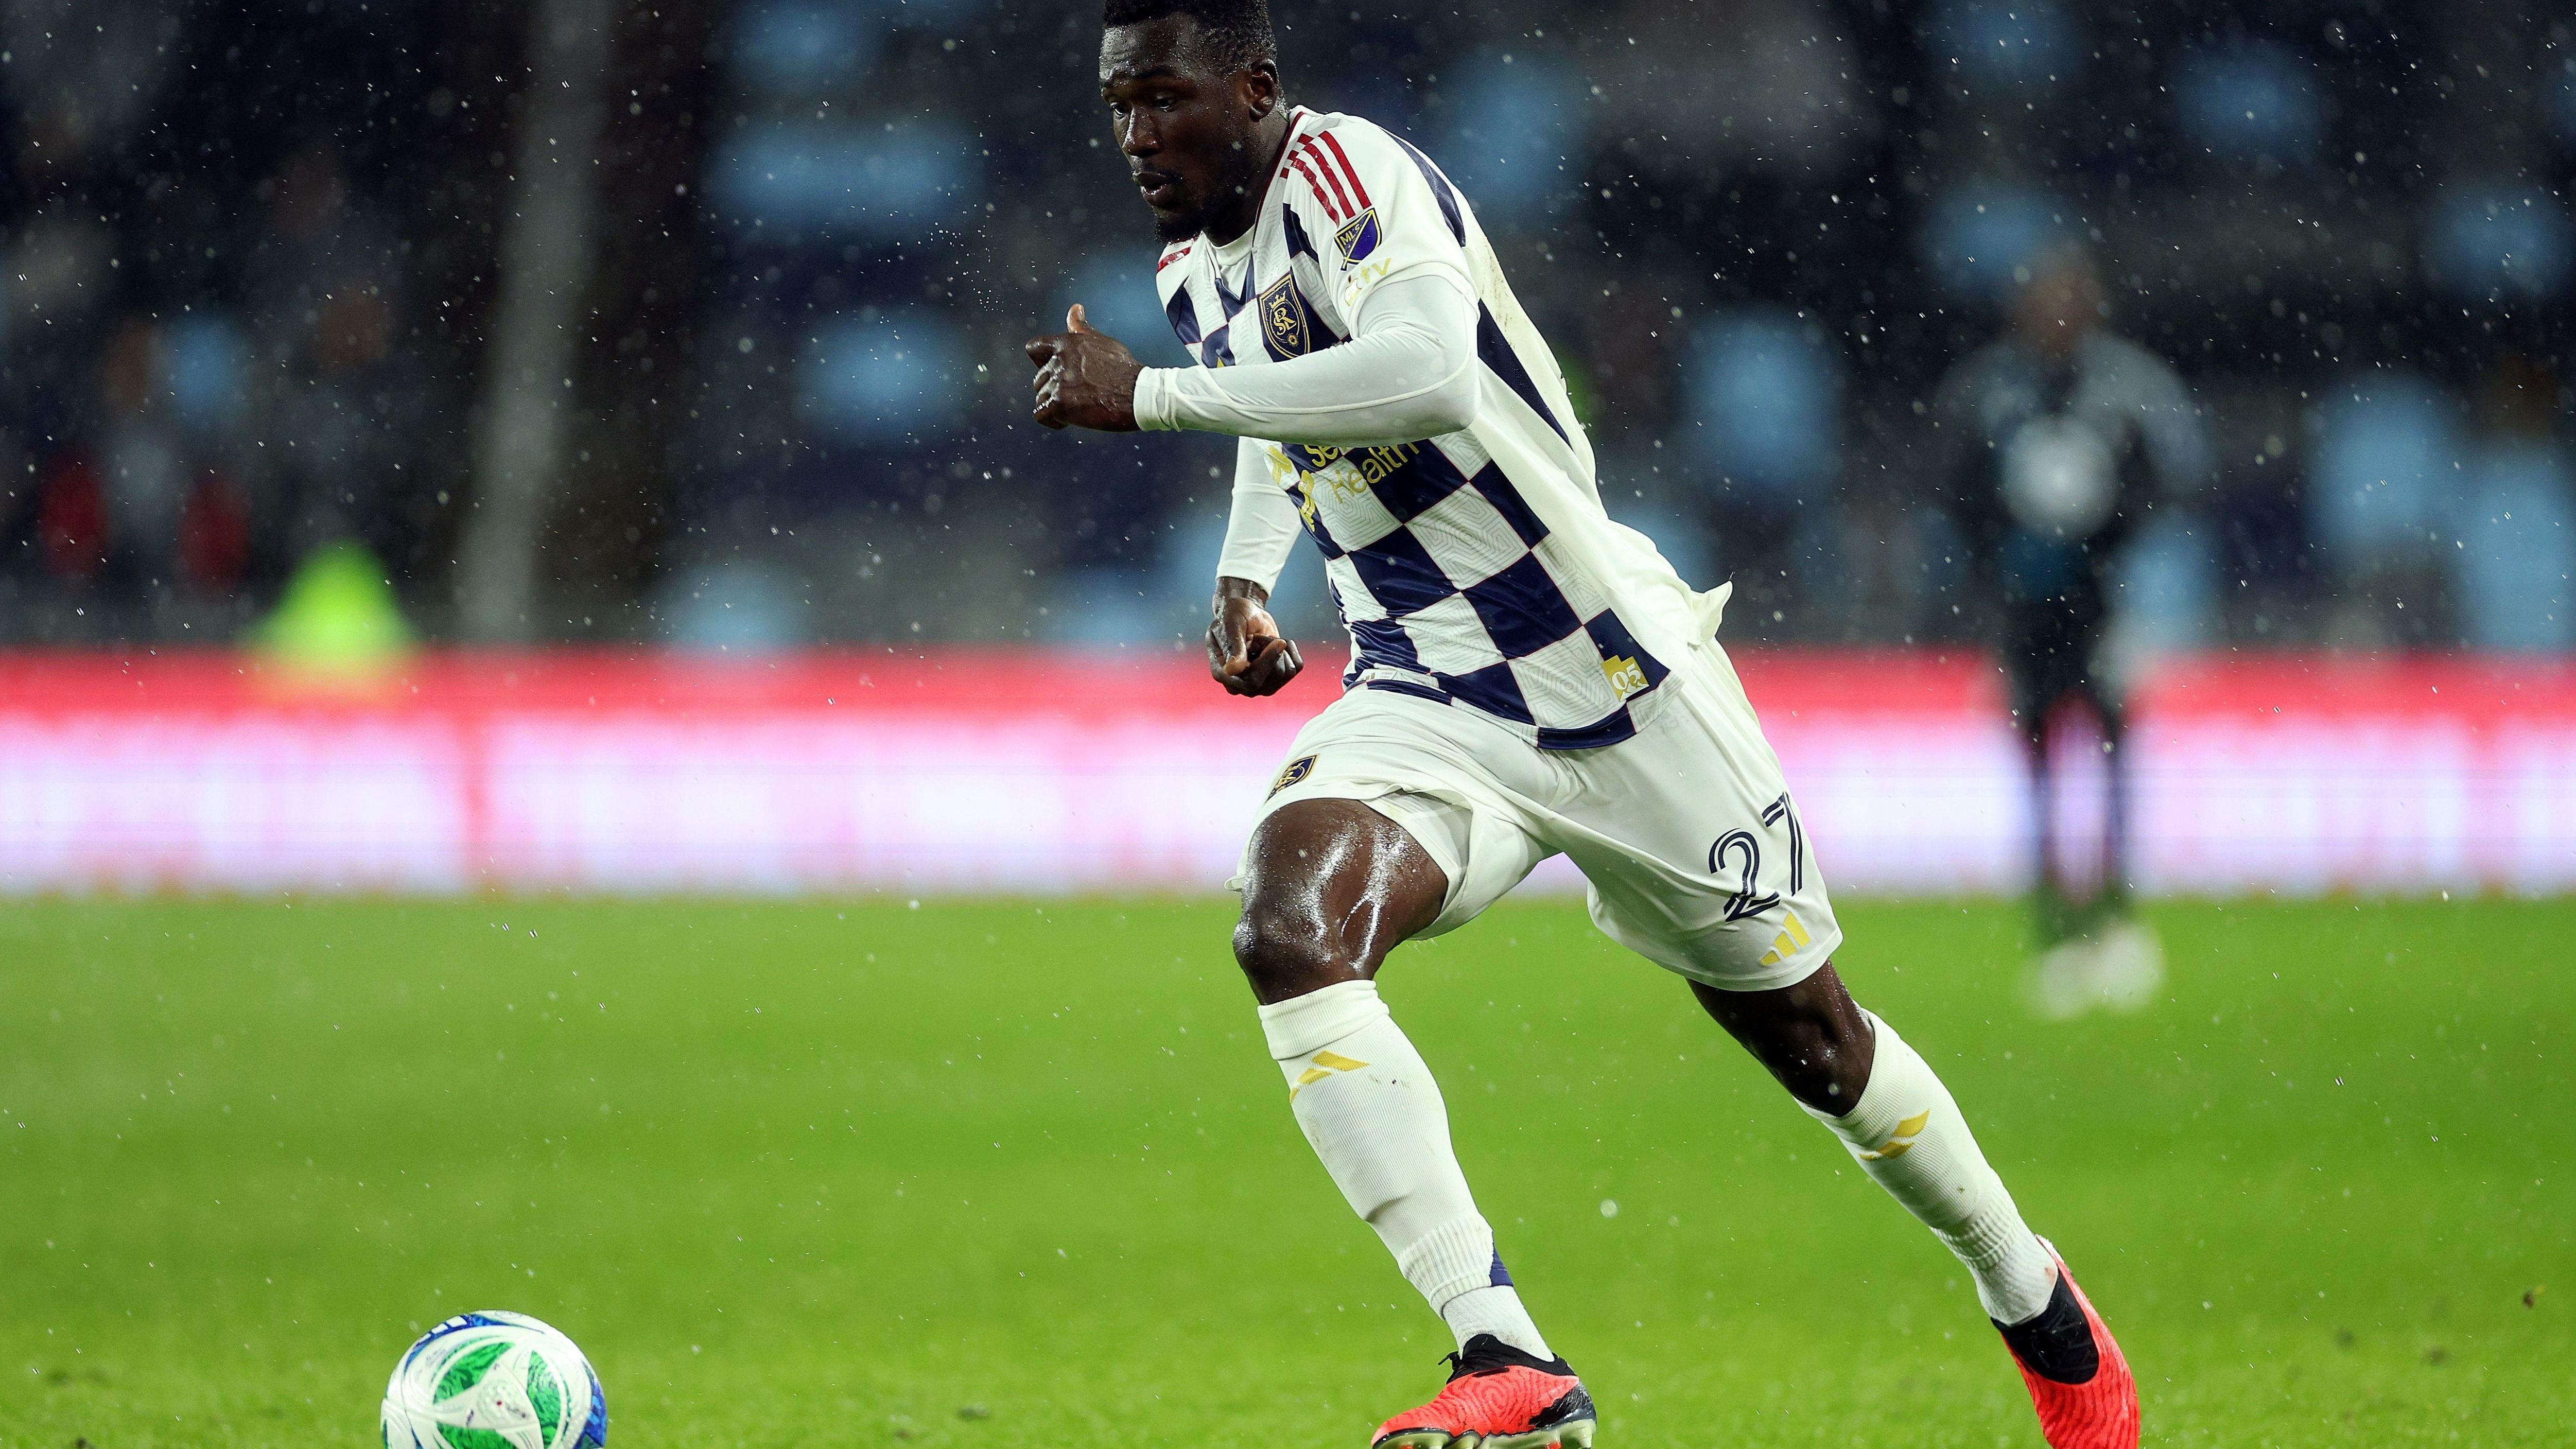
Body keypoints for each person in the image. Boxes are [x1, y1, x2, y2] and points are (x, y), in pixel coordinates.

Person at [1025, 5, 2137, 1446]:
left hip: (1608, 679)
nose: (1135, 137)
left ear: (1252, 87)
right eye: (1116, 106)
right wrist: (1245, 573)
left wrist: (1151, 401)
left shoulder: (1353, 179)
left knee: (1814, 1042)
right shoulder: (1189, 266)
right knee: (1287, 930)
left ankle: (2031, 1301)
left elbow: (1426, 369)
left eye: (1162, 99)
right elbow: (1281, 424)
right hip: (1423, 692)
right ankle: (1507, 1358)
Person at [1929, 246, 2208, 1018]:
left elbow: (2173, 485)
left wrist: (2111, 540)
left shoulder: (2129, 390)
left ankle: (2117, 921)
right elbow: (1954, 491)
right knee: (2043, 772)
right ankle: (2055, 932)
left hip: (2106, 609)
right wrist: (1996, 568)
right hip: (2026, 614)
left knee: (2115, 758)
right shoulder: (1990, 391)